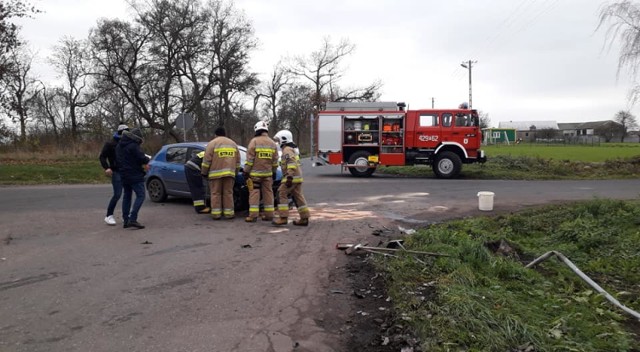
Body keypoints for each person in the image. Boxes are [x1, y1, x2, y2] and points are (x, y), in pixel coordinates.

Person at [201, 127, 240, 220]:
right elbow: (238, 162)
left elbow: (206, 161)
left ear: (216, 134)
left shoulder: (212, 143)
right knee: (228, 193)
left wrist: (204, 172)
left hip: (215, 175)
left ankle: (216, 214)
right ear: (225, 134)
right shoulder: (233, 144)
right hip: (230, 174)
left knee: (215, 193)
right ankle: (229, 213)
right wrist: (235, 172)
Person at [272, 130, 310, 226]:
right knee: (298, 197)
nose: (277, 142)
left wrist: (289, 177)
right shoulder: (291, 149)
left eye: (278, 140)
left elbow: (291, 163)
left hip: (292, 177)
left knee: (281, 193)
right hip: (297, 176)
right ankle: (304, 218)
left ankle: (283, 217)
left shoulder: (287, 150)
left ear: (283, 139)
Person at [243, 120, 279, 222]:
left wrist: (246, 171)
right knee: (268, 193)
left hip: (255, 175)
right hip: (268, 174)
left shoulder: (254, 142)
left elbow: (250, 160)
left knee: (254, 193)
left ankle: (253, 216)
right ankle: (269, 215)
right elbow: (275, 161)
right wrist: (274, 172)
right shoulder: (272, 143)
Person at [116, 127, 151, 229]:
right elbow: (141, 158)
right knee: (141, 195)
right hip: (134, 174)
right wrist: (147, 159)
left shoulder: (119, 145)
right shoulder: (133, 146)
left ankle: (126, 220)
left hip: (123, 174)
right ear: (137, 138)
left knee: (127, 196)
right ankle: (133, 219)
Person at [99, 123, 129, 225]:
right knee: (117, 194)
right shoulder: (110, 144)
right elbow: (102, 157)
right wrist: (107, 168)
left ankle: (126, 216)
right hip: (116, 171)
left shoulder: (128, 143)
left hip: (126, 171)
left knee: (128, 194)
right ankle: (109, 215)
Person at [184, 149, 211, 214]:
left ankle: (200, 207)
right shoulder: (211, 155)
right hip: (193, 168)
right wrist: (205, 175)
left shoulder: (207, 152)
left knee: (196, 187)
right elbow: (206, 166)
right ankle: (200, 208)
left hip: (189, 166)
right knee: (198, 187)